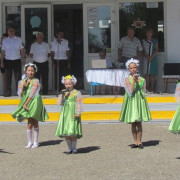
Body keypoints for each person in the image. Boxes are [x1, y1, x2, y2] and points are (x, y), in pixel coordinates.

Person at [12, 63, 49, 148]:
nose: (30, 72)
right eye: (29, 70)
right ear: (26, 71)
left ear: (35, 71)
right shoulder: (22, 81)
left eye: (32, 70)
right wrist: (24, 87)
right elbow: (20, 94)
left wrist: (25, 103)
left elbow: (33, 93)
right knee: (29, 122)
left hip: (34, 101)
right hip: (26, 102)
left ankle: (35, 142)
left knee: (35, 120)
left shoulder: (36, 81)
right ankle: (29, 142)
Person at [119, 58, 151, 149]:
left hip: (139, 101)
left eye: (134, 67)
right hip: (132, 101)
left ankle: (140, 142)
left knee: (139, 123)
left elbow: (143, 91)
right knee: (133, 123)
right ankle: (135, 141)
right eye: (131, 68)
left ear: (137, 68)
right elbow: (130, 92)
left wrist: (138, 81)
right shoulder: (127, 79)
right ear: (128, 69)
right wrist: (134, 81)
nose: (133, 69)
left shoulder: (142, 79)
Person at [55, 75, 82, 154]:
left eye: (69, 84)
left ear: (73, 84)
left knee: (72, 132)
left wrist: (78, 112)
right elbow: (60, 103)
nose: (68, 86)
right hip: (66, 113)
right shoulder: (64, 92)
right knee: (66, 132)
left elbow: (79, 103)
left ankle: (74, 148)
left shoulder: (77, 92)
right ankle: (69, 148)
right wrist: (63, 95)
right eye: (66, 84)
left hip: (73, 113)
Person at [0, 27, 26, 96]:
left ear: (14, 32)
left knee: (18, 78)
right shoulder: (5, 41)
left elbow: (22, 50)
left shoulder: (19, 39)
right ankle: (8, 92)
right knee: (8, 77)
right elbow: (3, 52)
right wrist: (1, 61)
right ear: (8, 32)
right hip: (8, 61)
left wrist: (23, 59)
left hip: (17, 60)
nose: (11, 32)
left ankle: (19, 92)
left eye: (12, 31)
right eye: (10, 31)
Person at [142, 28, 158, 93]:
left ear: (152, 34)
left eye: (150, 33)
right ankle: (147, 89)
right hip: (146, 59)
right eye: (148, 32)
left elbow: (156, 50)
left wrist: (151, 57)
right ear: (146, 33)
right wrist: (147, 56)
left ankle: (152, 89)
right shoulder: (143, 41)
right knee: (147, 74)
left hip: (153, 59)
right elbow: (142, 50)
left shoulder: (155, 41)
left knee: (152, 75)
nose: (149, 34)